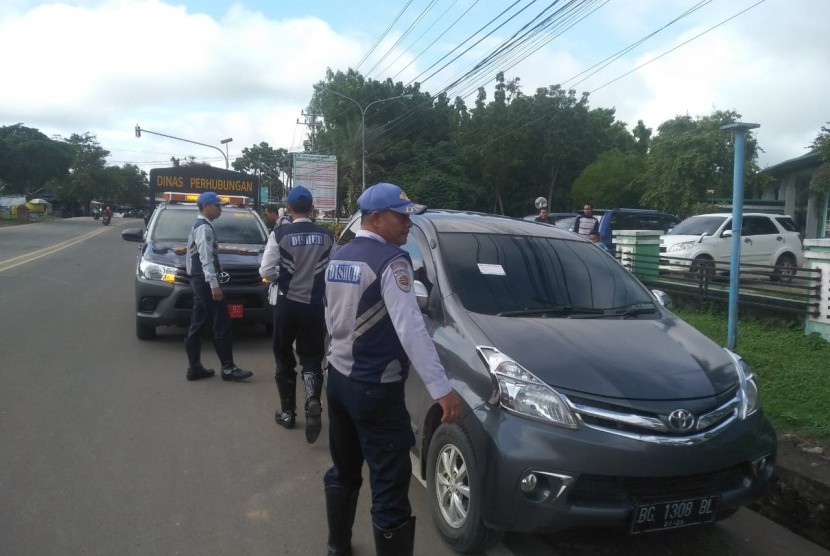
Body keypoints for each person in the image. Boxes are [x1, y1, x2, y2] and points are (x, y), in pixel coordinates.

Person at [323, 182, 463, 556]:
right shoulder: (392, 263)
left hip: (337, 381)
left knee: (344, 469)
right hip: (375, 389)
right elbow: (412, 329)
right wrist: (441, 389)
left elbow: (331, 317)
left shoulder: (340, 256)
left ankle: (337, 547)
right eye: (401, 217)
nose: (407, 224)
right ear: (376, 218)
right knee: (389, 487)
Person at [258, 185, 334, 443]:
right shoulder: (326, 235)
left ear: (288, 210)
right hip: (315, 306)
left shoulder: (279, 234)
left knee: (283, 355)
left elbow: (266, 271)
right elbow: (331, 270)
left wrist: (285, 275)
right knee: (312, 356)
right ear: (312, 208)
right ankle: (313, 400)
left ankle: (288, 413)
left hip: (286, 304)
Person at [184, 191, 253, 382]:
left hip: (198, 280)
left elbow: (192, 259)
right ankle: (228, 369)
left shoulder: (199, 226)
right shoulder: (204, 228)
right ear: (206, 206)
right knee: (222, 322)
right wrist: (214, 285)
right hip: (206, 282)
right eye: (217, 205)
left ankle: (194, 368)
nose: (220, 209)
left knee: (197, 325)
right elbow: (205, 259)